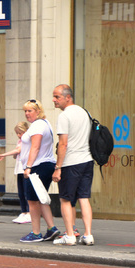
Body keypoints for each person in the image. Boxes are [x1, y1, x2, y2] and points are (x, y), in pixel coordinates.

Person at [52, 84, 94, 246]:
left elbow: (63, 144)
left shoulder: (64, 116)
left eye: (57, 97)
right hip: (87, 160)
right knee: (84, 197)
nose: (54, 100)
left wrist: (58, 167)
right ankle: (88, 235)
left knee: (65, 199)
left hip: (71, 163)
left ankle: (70, 235)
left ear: (68, 97)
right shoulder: (85, 112)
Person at [18, 99, 60, 242]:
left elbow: (35, 147)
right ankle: (51, 228)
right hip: (47, 165)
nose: (27, 114)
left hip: (37, 167)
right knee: (41, 199)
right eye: (25, 111)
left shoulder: (36, 126)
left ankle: (36, 233)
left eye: (30, 111)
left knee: (32, 201)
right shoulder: (46, 124)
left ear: (38, 111)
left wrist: (28, 167)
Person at [0, 121, 30, 224]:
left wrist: (3, 154)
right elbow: (17, 153)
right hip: (19, 168)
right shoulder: (19, 141)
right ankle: (23, 211)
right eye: (17, 133)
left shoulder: (27, 140)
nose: (19, 135)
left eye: (21, 133)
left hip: (25, 167)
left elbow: (18, 151)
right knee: (21, 192)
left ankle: (29, 212)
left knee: (26, 192)